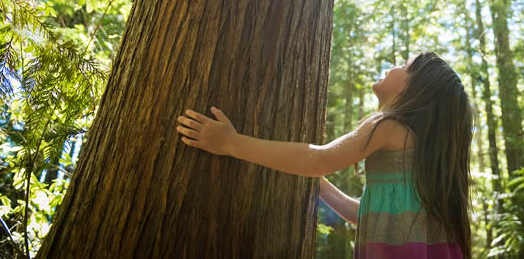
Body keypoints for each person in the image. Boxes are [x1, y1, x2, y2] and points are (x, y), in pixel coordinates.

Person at [176, 51, 473, 258]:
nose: (396, 65)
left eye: (407, 65)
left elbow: (318, 159)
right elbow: (368, 216)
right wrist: (319, 185)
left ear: (417, 90)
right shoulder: (419, 159)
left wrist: (231, 142)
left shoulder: (387, 126)